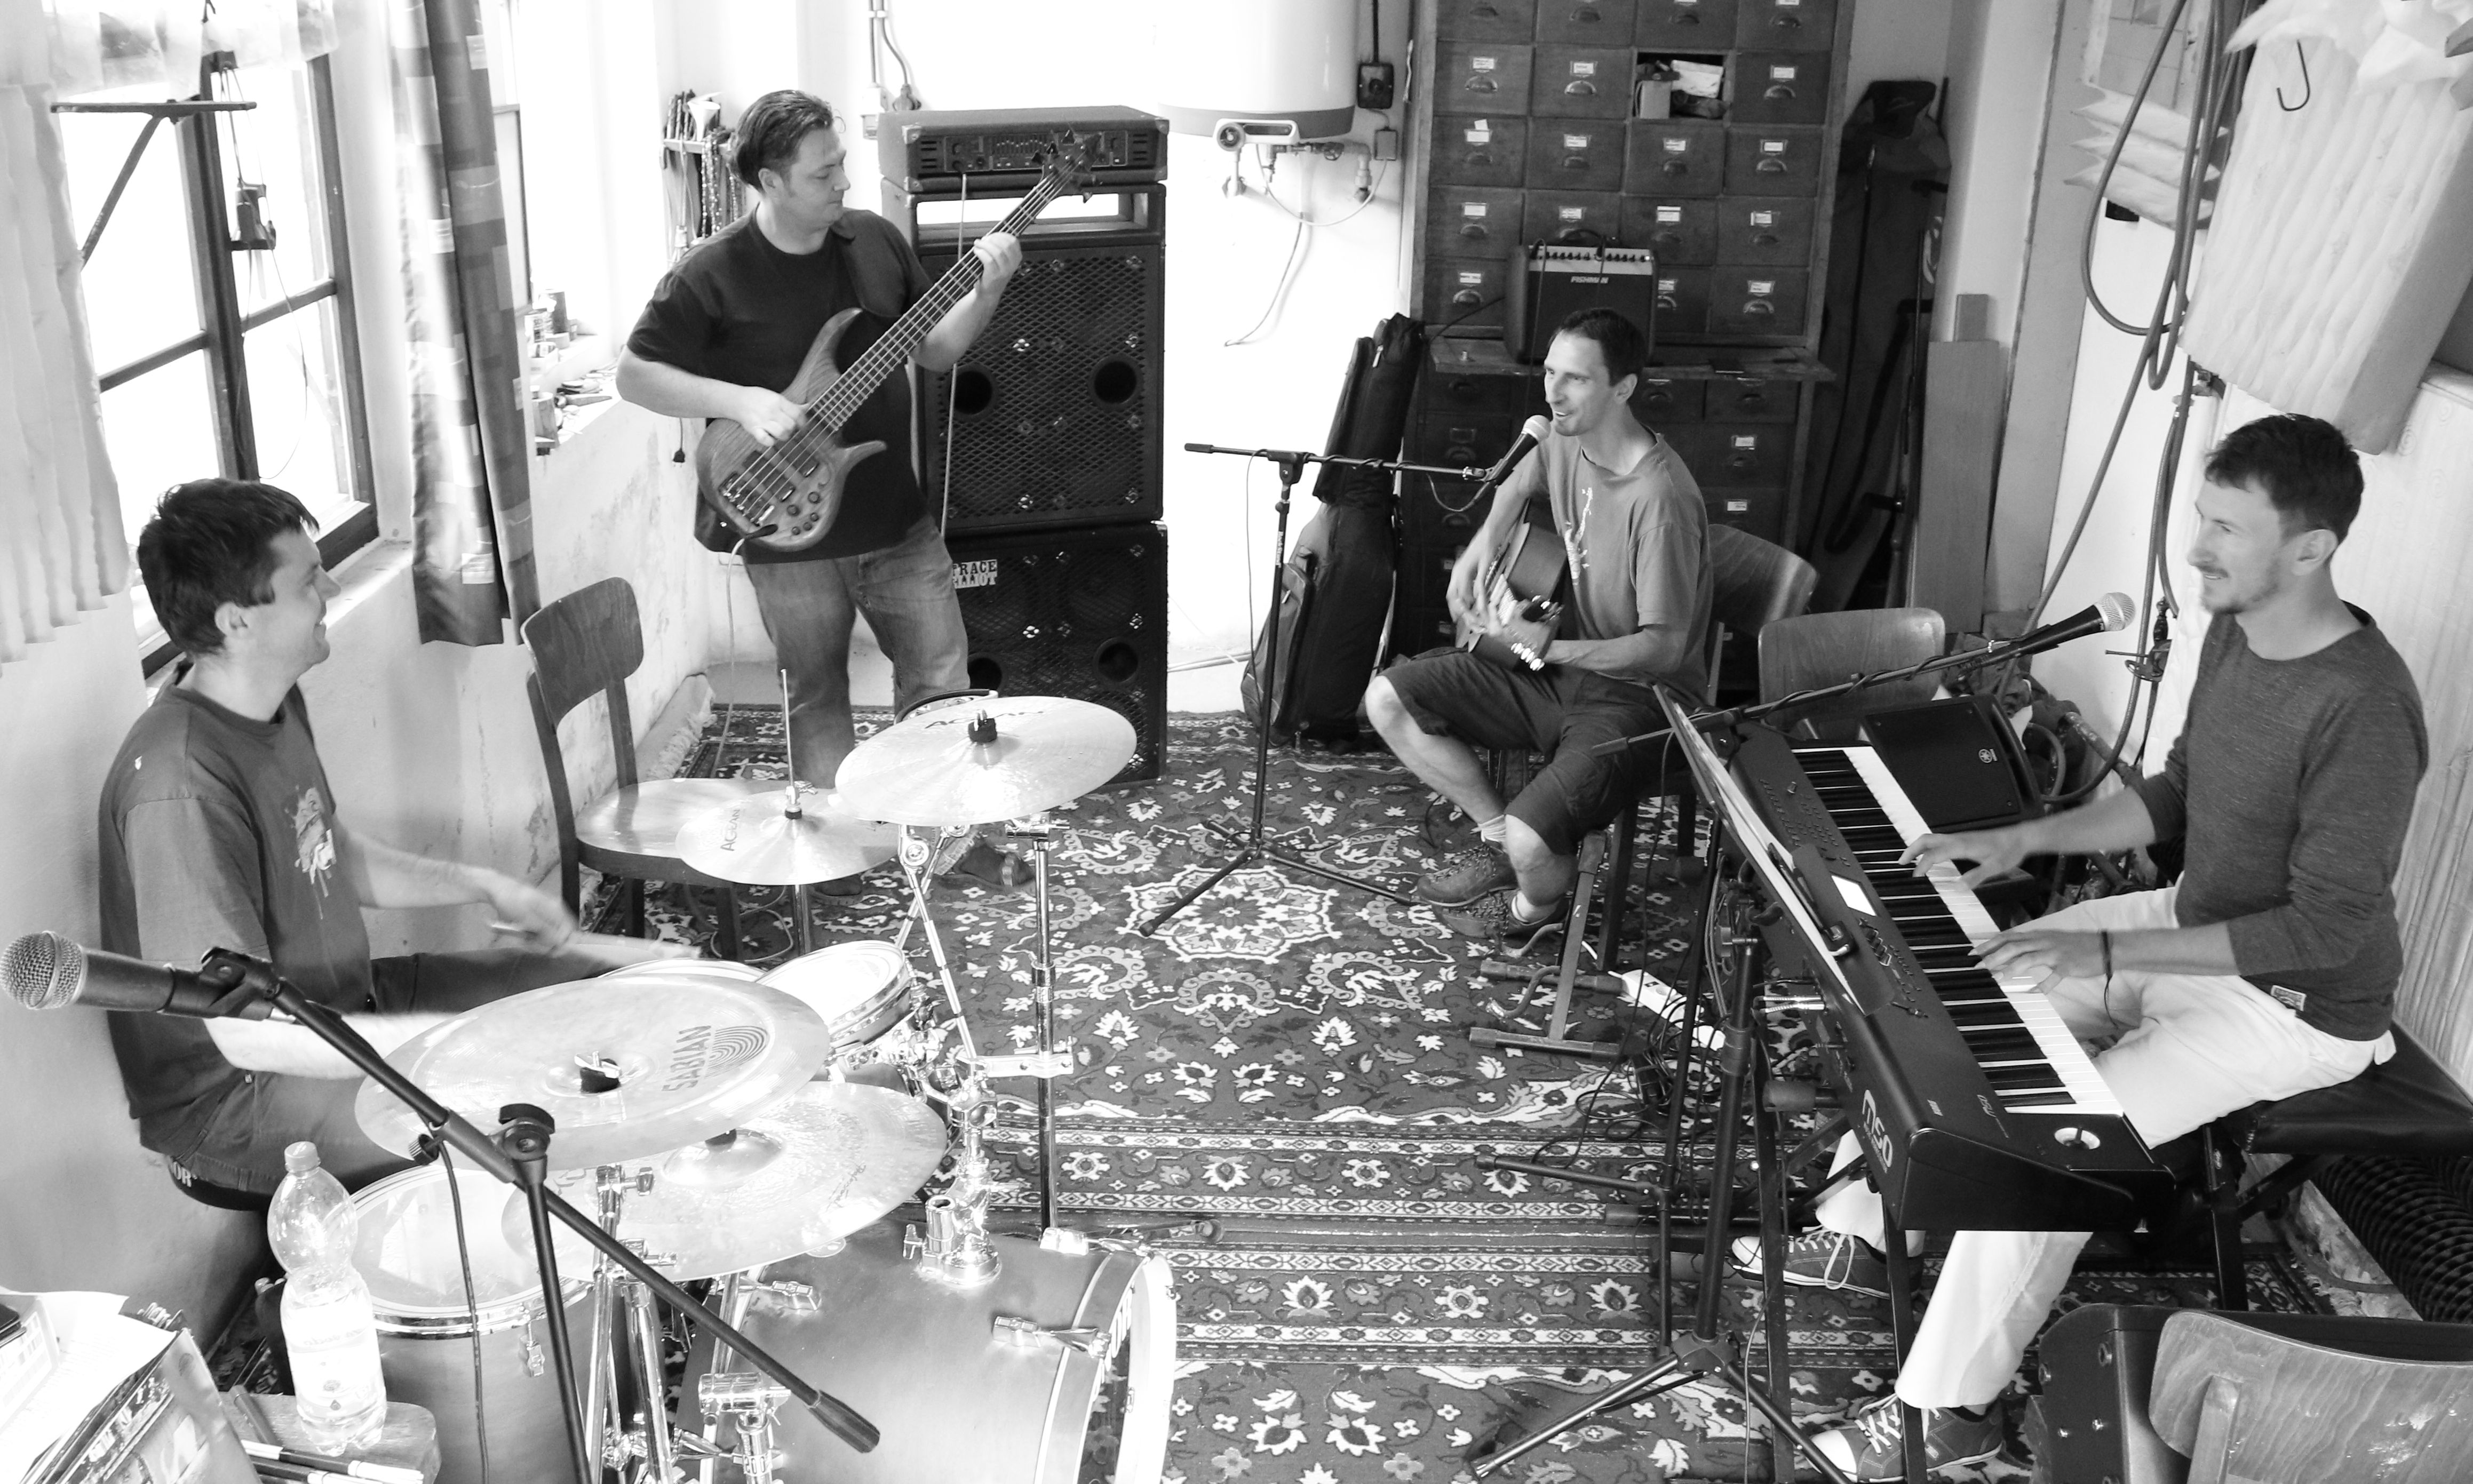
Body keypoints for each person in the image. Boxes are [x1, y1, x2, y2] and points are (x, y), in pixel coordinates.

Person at [1739, 414, 2427, 1478]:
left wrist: (2099, 954)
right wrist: (2022, 837)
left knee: (2044, 1147)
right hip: (2189, 920)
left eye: (2227, 529)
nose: (2195, 548)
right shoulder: (2239, 628)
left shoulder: (2364, 707)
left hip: (2292, 1006)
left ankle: (1949, 1409)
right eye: (2201, 518)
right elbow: (2177, 791)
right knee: (1962, 993)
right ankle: (1866, 1225)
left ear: (2311, 549)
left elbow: (2325, 925)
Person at [100, 480, 674, 1202]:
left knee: (608, 985)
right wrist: (454, 1042)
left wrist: (486, 886)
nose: (331, 588)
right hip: (243, 1094)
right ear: (237, 620)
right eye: (308, 580)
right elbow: (246, 1034)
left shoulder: (273, 698)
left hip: (349, 1003)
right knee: (534, 1107)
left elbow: (333, 854)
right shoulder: (180, 785)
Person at [615, 89, 1028, 890]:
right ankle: (840, 857)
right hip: (788, 533)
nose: (843, 181)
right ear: (770, 181)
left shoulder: (872, 241)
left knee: (941, 686)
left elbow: (936, 351)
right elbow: (635, 375)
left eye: (841, 164)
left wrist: (987, 291)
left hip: (895, 518)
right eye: (822, 172)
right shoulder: (711, 273)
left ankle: (950, 845)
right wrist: (740, 401)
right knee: (817, 694)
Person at [1364, 307, 1711, 945]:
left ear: (1623, 388)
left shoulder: (1660, 501)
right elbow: (1522, 478)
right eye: (1550, 372)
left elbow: (1664, 651)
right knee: (1388, 699)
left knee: (1537, 844)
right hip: (1559, 669)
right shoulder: (1567, 436)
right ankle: (1498, 837)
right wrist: (1481, 547)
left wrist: (1550, 647)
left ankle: (1533, 910)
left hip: (1640, 699)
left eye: (1576, 378)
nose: (1554, 392)